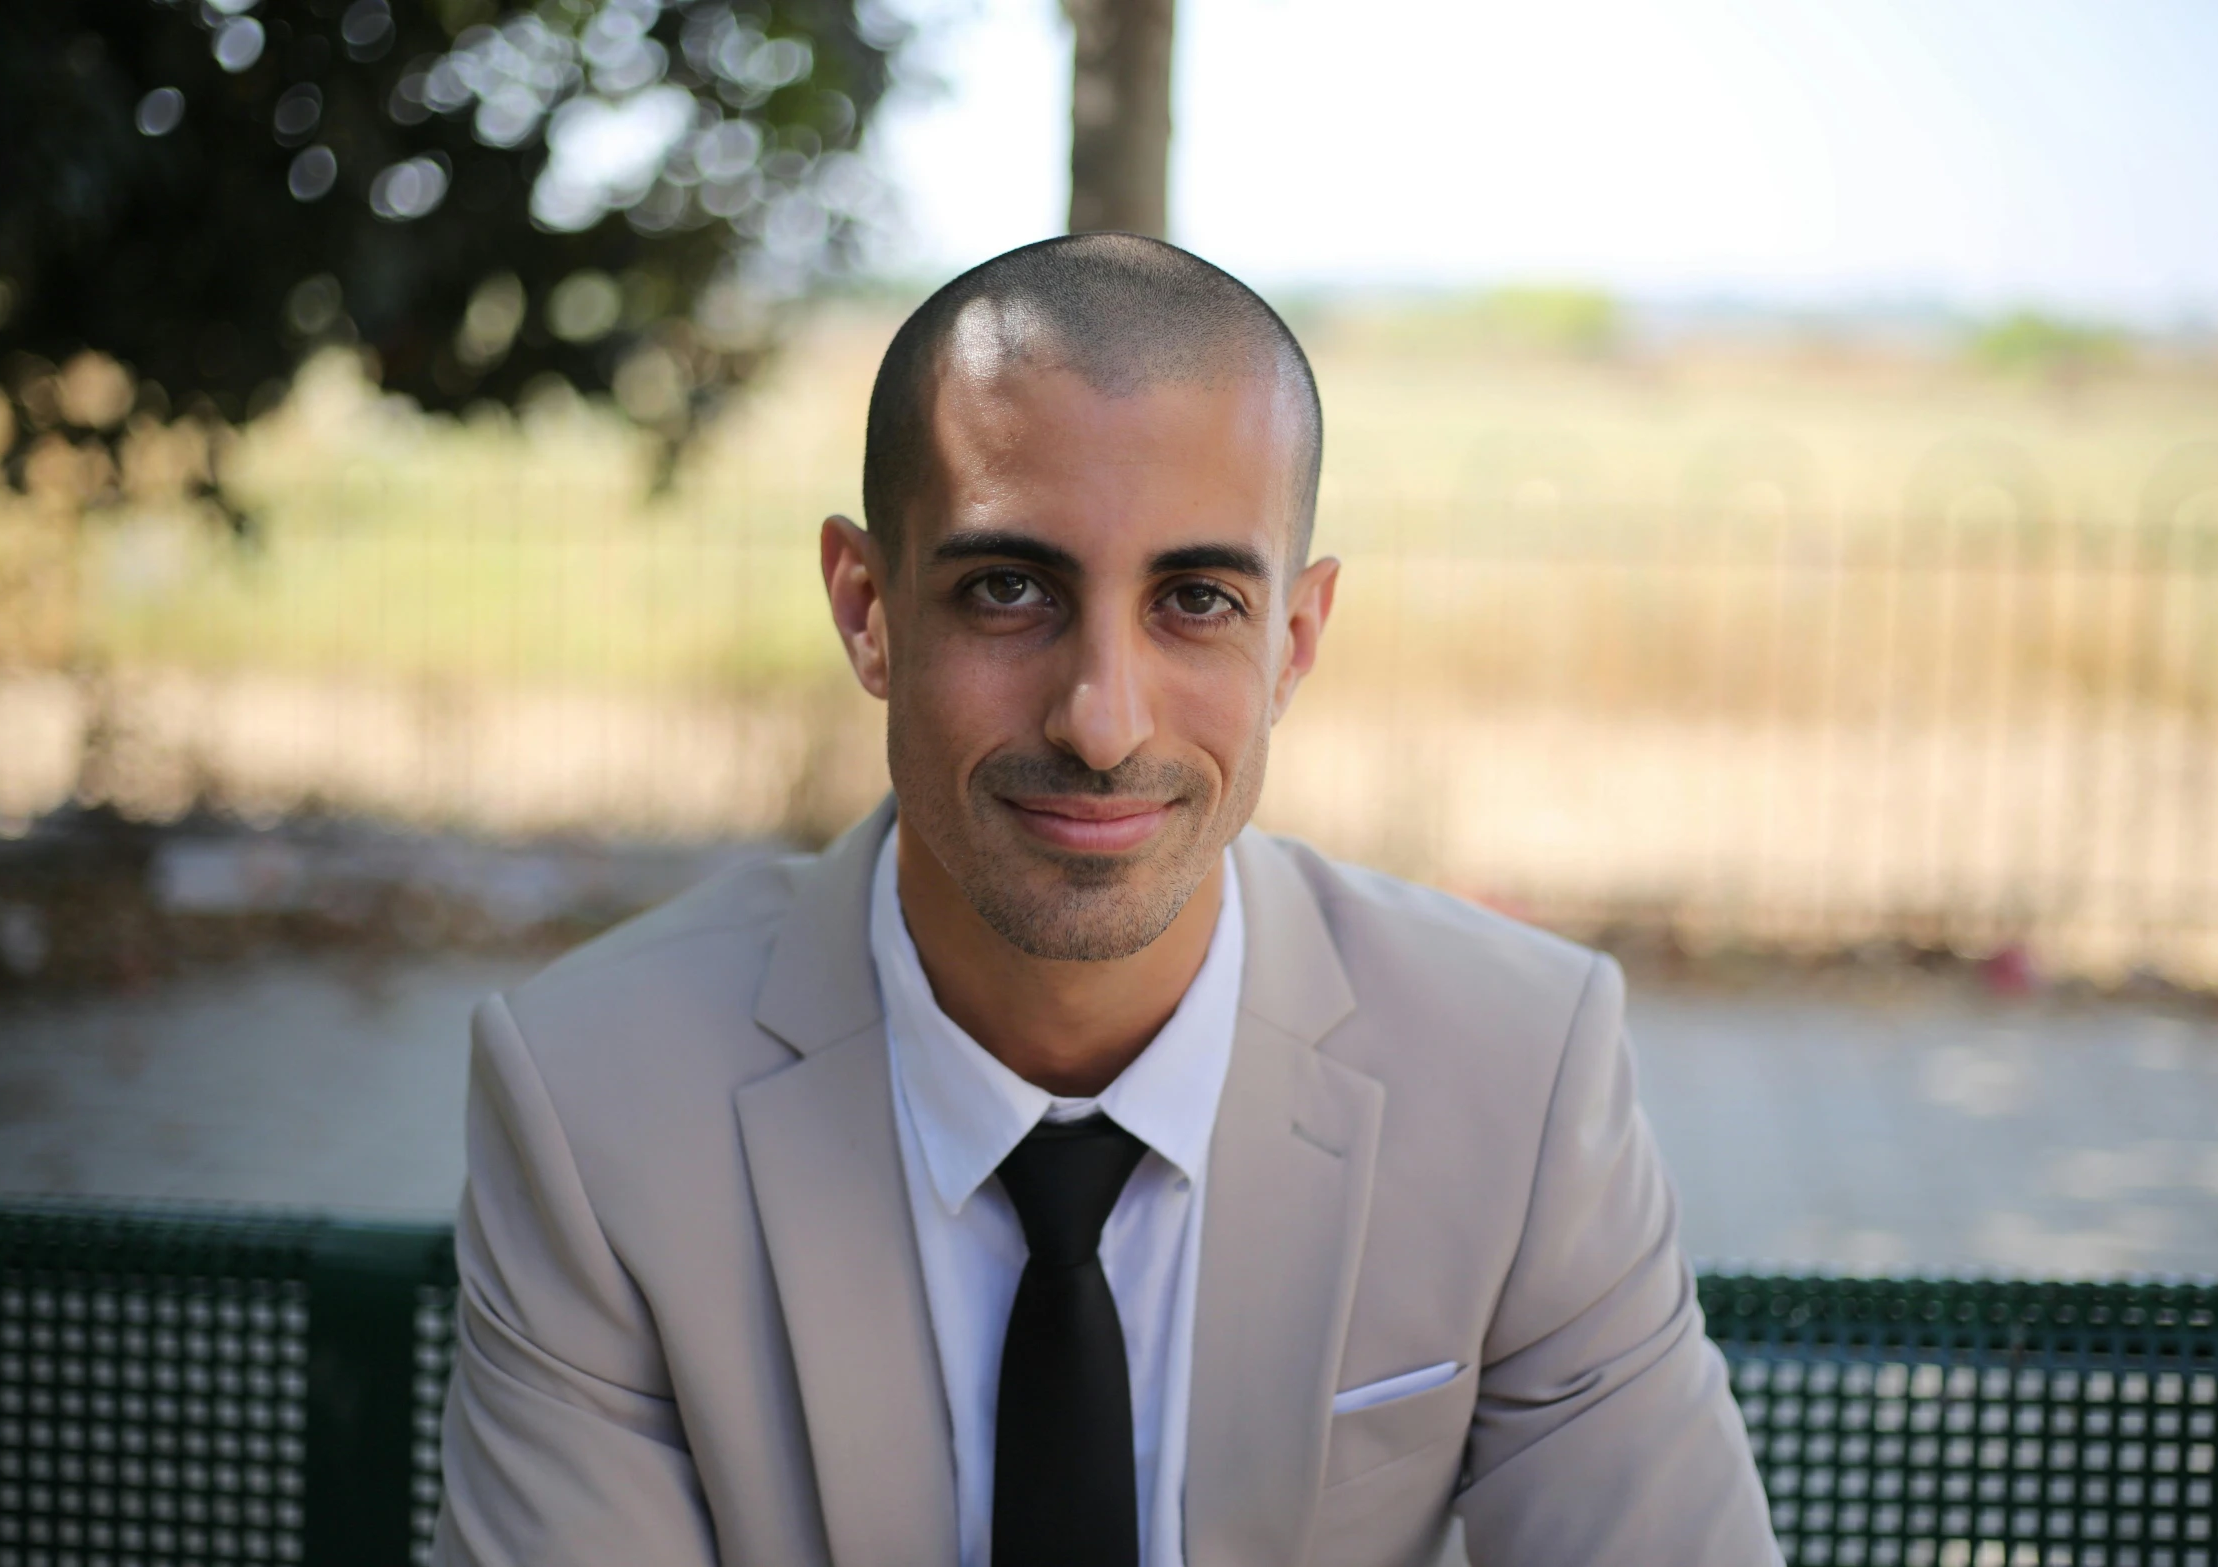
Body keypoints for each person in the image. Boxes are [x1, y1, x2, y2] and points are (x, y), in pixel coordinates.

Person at [430, 234, 1780, 1567]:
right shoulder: (592, 1100)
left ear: (1293, 642)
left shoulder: (1514, 1073)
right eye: (1007, 589)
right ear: (866, 607)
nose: (1099, 719)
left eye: (1194, 599)